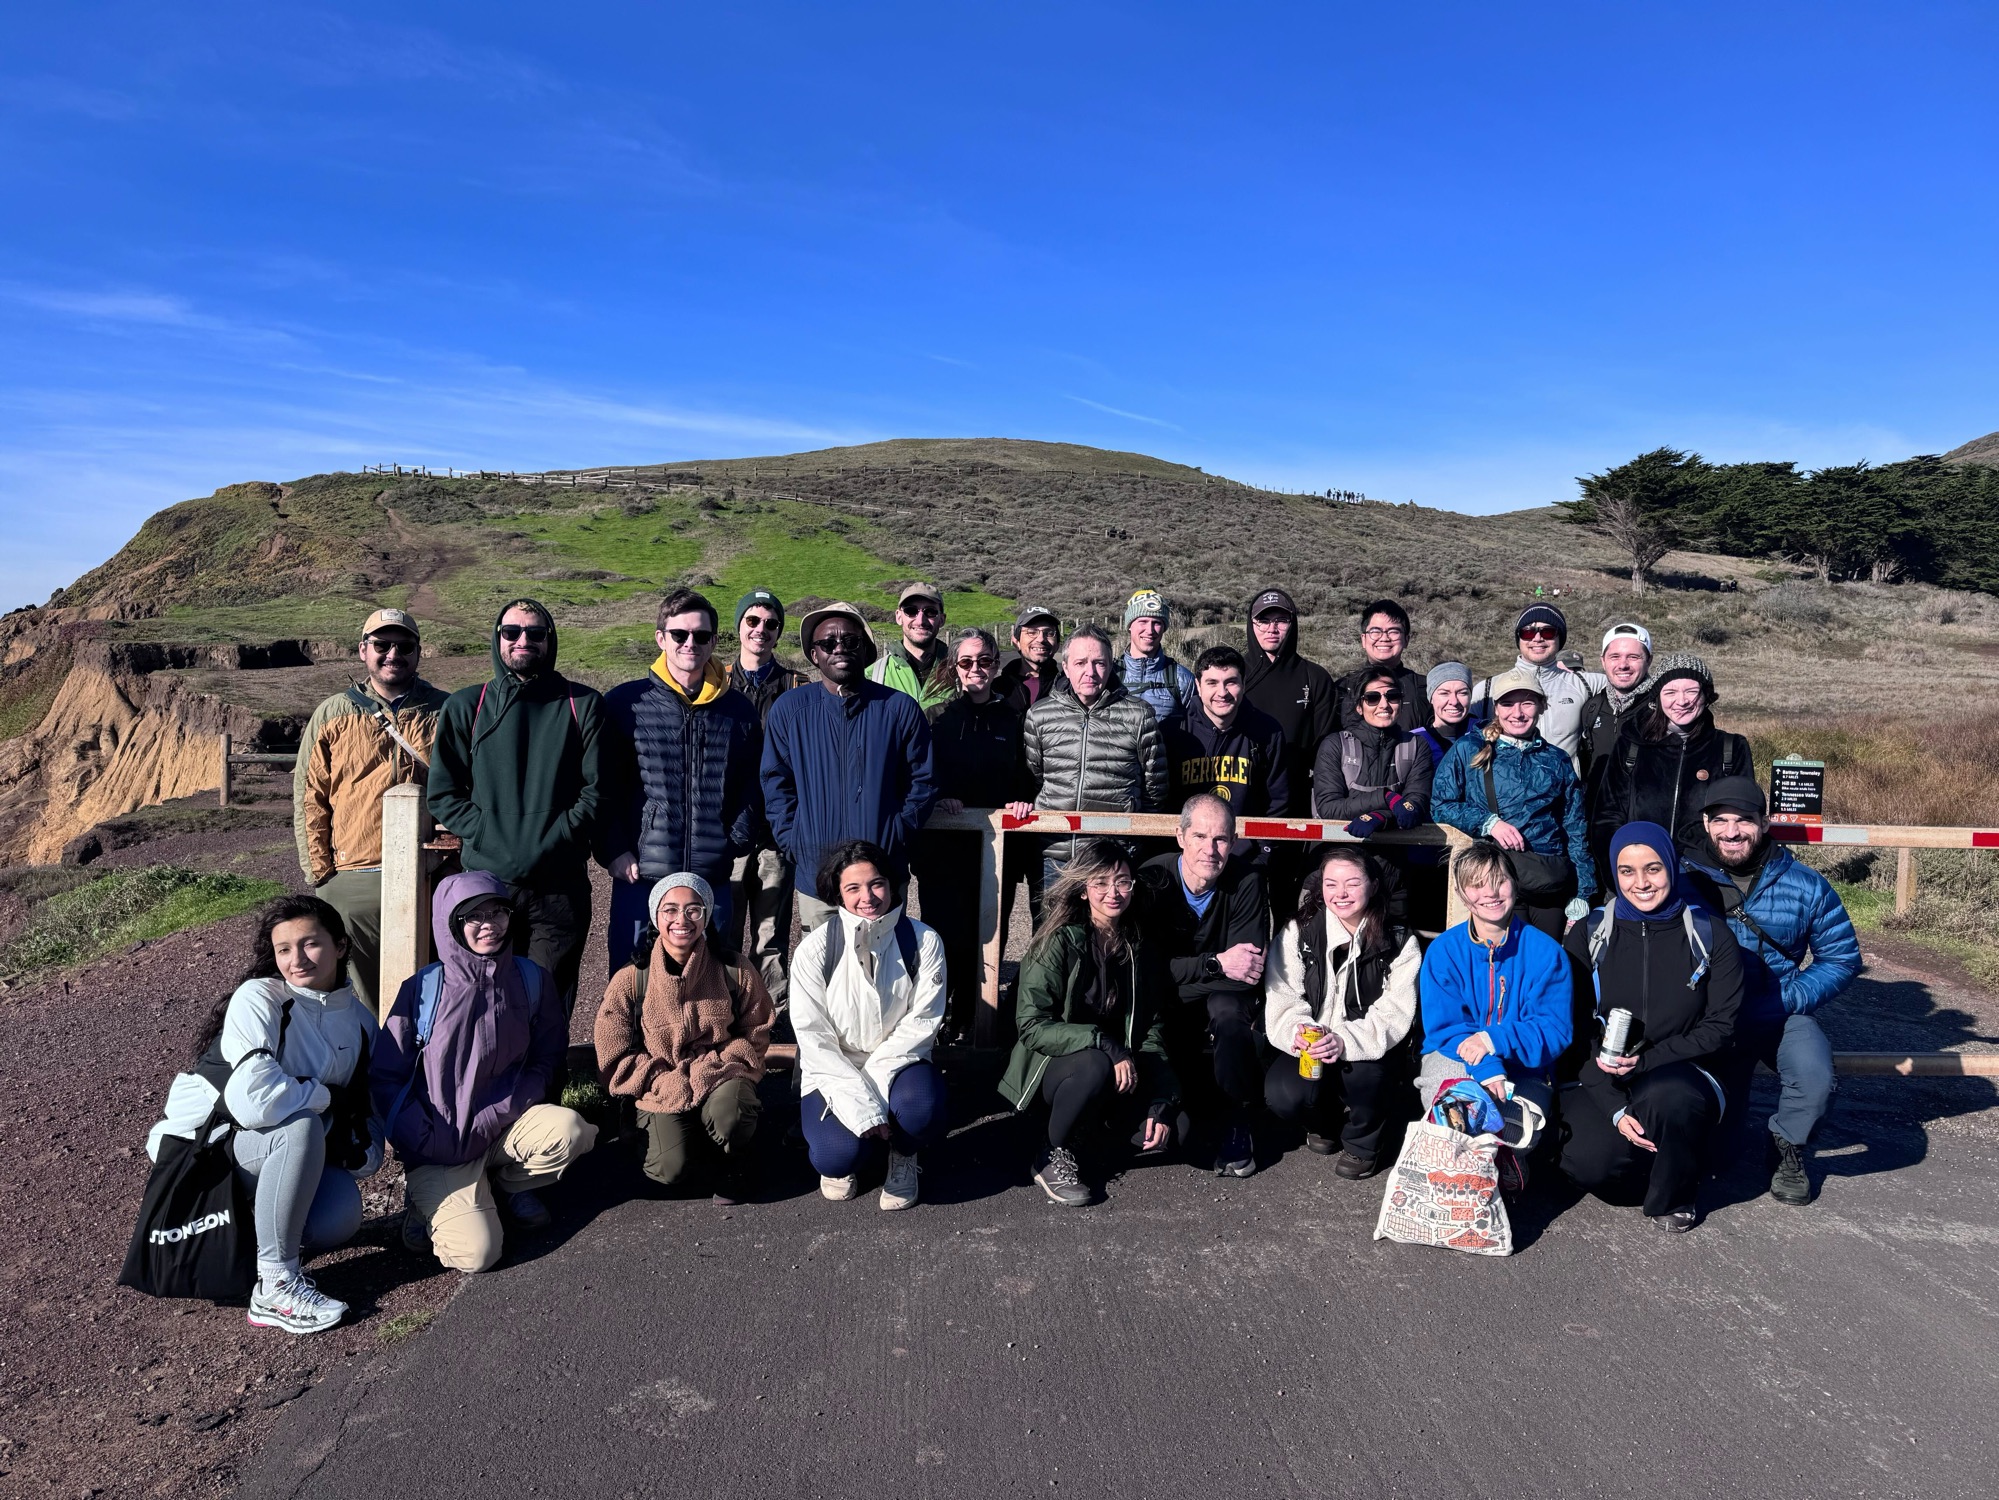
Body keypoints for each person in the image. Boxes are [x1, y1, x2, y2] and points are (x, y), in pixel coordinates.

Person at [146, 895, 378, 1334]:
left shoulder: (362, 1023)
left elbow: (367, 1112)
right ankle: (275, 1286)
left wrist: (359, 1148)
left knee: (340, 1214)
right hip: (203, 1154)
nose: (297, 959)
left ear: (341, 946)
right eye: (283, 949)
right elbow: (253, 1101)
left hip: (265, 1152)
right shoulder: (260, 997)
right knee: (300, 1127)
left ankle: (253, 1247)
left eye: (310, 944)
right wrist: (324, 1098)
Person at [372, 873, 595, 1271]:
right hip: (438, 1146)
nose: (488, 924)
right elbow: (386, 1077)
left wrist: (504, 1109)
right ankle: (426, 1203)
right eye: (472, 916)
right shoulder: (422, 990)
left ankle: (506, 1185)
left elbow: (547, 1058)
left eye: (498, 912)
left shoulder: (530, 979)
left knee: (572, 1131)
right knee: (477, 1254)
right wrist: (420, 1137)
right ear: (450, 925)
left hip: (503, 1127)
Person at [1681, 779, 1860, 1207]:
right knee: (1716, 1159)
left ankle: (1787, 1146)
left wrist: (1786, 999)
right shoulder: (1680, 880)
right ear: (1706, 823)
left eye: (1744, 820)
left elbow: (1841, 958)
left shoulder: (1806, 884)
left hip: (1776, 1009)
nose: (1732, 832)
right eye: (1721, 820)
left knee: (1814, 1075)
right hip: (1704, 1017)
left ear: (1764, 822)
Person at [426, 599, 608, 1018]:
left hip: (559, 886)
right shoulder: (466, 706)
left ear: (550, 640)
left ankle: (544, 1066)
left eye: (535, 633)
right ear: (497, 639)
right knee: (484, 999)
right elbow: (444, 793)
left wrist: (560, 834)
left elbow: (599, 790)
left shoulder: (583, 705)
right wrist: (487, 833)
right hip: (486, 887)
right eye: (512, 632)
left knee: (548, 1001)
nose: (523, 640)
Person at [1560, 823, 1742, 1232]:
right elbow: (1573, 1028)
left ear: (1671, 868)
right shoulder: (1589, 934)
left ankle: (1675, 1194)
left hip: (1680, 1071)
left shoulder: (1711, 935)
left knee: (1670, 1099)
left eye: (1653, 869)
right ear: (1614, 873)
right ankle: (1662, 1161)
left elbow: (1721, 1026)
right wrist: (1613, 1108)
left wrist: (1646, 1061)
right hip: (1603, 1071)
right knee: (1591, 1164)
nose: (1641, 883)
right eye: (1627, 871)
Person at [998, 838, 1177, 1207]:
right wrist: (1104, 1043)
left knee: (1174, 1131)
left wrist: (1161, 1097)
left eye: (1123, 881)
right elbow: (1032, 1025)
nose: (1113, 892)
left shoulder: (1137, 945)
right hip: (1056, 1071)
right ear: (1083, 890)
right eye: (1101, 882)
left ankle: (1088, 1136)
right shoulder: (1057, 941)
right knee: (1094, 1063)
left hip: (1117, 1072)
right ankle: (1050, 1153)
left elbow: (1152, 1027)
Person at [292, 608, 449, 1012]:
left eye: (404, 646)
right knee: (360, 995)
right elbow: (310, 796)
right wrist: (322, 874)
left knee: (433, 987)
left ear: (418, 653)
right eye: (382, 644)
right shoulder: (333, 714)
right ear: (363, 650)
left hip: (431, 871)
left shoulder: (446, 711)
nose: (393, 654)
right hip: (354, 876)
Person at [602, 589, 764, 974]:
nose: (690, 643)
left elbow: (752, 784)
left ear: (714, 641)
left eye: (701, 635)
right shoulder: (625, 704)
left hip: (711, 877)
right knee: (632, 983)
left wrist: (734, 842)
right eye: (679, 634)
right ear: (661, 638)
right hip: (641, 875)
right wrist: (614, 850)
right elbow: (602, 785)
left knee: (709, 984)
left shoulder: (738, 711)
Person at [594, 874, 775, 1203]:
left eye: (693, 910)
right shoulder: (631, 980)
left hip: (722, 1073)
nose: (682, 920)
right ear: (656, 916)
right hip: (659, 1082)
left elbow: (757, 1029)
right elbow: (612, 1051)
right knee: (668, 1170)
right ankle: (689, 1140)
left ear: (706, 916)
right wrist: (658, 1078)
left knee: (731, 1116)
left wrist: (721, 1063)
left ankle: (732, 1152)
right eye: (670, 910)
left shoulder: (735, 970)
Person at [761, 601, 938, 932]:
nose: (839, 647)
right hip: (817, 874)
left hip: (881, 875)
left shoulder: (899, 709)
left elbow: (923, 781)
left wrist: (897, 833)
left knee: (884, 959)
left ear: (866, 649)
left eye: (851, 641)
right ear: (814, 654)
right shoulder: (790, 710)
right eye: (828, 643)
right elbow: (775, 782)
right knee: (824, 959)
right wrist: (794, 840)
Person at [791, 841, 949, 1210]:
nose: (868, 897)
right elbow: (814, 1038)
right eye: (853, 888)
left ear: (892, 884)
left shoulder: (923, 941)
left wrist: (871, 1091)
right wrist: (858, 1102)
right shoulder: (816, 949)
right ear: (838, 893)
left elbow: (922, 1024)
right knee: (837, 1156)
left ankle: (904, 1152)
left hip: (901, 1061)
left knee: (921, 1111)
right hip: (835, 1067)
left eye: (876, 883)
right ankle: (853, 1147)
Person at [1262, 845, 1421, 1178]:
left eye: (1352, 883)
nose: (1341, 893)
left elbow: (1395, 1011)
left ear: (1373, 886)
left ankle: (1363, 1144)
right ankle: (1324, 1123)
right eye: (1331, 884)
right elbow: (1283, 993)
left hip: (1367, 1043)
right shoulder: (1300, 930)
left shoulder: (1399, 940)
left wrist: (1344, 1040)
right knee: (1283, 1093)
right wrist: (1297, 1030)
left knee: (1367, 1077)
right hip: (1313, 1040)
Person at [1415, 841, 1572, 1174]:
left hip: (1525, 1065)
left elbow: (1554, 1028)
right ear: (1461, 894)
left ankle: (1505, 1170)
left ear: (1514, 883)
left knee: (1513, 1134)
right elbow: (1445, 1027)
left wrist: (1494, 1040)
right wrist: (1486, 1063)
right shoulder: (1444, 951)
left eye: (1499, 880)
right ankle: (1458, 1181)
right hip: (1455, 1055)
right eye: (1476, 884)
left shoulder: (1547, 953)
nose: (1490, 893)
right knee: (1455, 1122)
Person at [1137, 793, 1270, 1178]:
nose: (1210, 850)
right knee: (1151, 1002)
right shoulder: (1153, 877)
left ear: (1234, 841)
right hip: (1166, 1001)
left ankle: (1238, 1120)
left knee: (1229, 1012)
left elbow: (1247, 972)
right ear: (1180, 836)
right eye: (1199, 836)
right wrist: (1216, 963)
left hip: (1218, 999)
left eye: (1221, 839)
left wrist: (1175, 975)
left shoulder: (1247, 880)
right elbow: (1144, 971)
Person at [925, 628, 1036, 1034]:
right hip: (946, 849)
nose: (976, 668)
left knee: (989, 935)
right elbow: (922, 776)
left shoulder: (1014, 719)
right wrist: (939, 798)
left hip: (997, 850)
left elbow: (1026, 777)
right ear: (954, 666)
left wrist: (1022, 801)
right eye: (967, 661)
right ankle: (936, 1023)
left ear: (995, 665)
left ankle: (975, 1022)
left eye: (985, 660)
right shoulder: (936, 718)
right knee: (944, 937)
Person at [1433, 668, 1595, 937]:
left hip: (1548, 881)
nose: (1517, 713)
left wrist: (1583, 892)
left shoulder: (1556, 759)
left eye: (1527, 703)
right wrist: (1489, 823)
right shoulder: (1469, 748)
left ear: (1542, 706)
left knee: (1546, 956)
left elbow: (1575, 827)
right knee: (1504, 954)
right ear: (1496, 708)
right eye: (1508, 704)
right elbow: (1441, 804)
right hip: (1496, 878)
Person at [1022, 623, 1168, 887]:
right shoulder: (1040, 715)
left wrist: (1130, 840)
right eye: (1080, 663)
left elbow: (1155, 789)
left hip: (1113, 858)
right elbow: (1035, 779)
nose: (1090, 672)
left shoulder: (1139, 715)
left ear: (1111, 666)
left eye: (1099, 663)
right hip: (1054, 856)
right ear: (1066, 667)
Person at [726, 588, 813, 1011]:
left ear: (779, 631)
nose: (761, 629)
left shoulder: (797, 686)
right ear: (739, 626)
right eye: (752, 620)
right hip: (726, 830)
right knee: (721, 930)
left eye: (771, 623)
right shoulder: (715, 680)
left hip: (777, 831)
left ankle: (770, 1017)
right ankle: (721, 1013)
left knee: (771, 936)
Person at [1590, 653, 1752, 879]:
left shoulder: (1732, 748)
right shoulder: (1631, 745)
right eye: (1670, 692)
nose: (1682, 701)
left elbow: (1742, 821)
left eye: (1691, 691)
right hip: (1640, 878)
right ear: (1657, 698)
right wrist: (1620, 875)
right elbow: (1607, 817)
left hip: (1706, 880)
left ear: (1706, 695)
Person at [1240, 586, 1338, 816]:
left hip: (1297, 797)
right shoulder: (1234, 674)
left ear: (1292, 624)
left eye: (1281, 620)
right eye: (1263, 620)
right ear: (1251, 624)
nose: (1272, 629)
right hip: (1240, 794)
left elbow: (1325, 746)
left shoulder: (1315, 677)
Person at [1470, 605, 1605, 766]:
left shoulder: (1586, 684)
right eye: (1528, 632)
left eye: (1548, 632)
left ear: (1560, 638)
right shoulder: (1487, 689)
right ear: (1518, 638)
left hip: (1565, 781)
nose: (1537, 638)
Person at [1163, 645, 1290, 814]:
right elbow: (1160, 800)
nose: (1222, 693)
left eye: (1231, 682)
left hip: (1245, 831)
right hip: (1187, 831)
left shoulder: (1268, 732)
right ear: (1198, 686)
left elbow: (1278, 803)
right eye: (1212, 683)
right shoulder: (1173, 732)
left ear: (1243, 683)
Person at [1312, 667, 1433, 837]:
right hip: (1340, 846)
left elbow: (1414, 807)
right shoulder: (1335, 745)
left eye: (1392, 696)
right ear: (1359, 707)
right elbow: (1329, 807)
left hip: (1398, 848)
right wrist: (1387, 798)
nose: (1384, 705)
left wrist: (1379, 817)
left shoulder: (1416, 745)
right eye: (1372, 698)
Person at [1576, 622, 1654, 790]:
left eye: (1633, 657)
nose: (1623, 664)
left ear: (1649, 661)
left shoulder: (1663, 710)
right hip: (1597, 806)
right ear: (1603, 661)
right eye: (1615, 656)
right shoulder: (1591, 708)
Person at [1334, 599, 1430, 732]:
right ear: (1363, 639)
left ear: (1406, 640)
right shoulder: (1341, 689)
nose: (1384, 638)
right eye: (1375, 631)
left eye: (1393, 631)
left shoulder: (1426, 688)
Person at [866, 582, 955, 714]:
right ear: (898, 617)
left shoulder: (960, 673)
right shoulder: (872, 676)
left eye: (930, 612)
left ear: (942, 619)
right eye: (911, 611)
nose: (920, 621)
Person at [1119, 588, 1196, 728]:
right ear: (1129, 625)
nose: (1150, 630)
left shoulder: (1183, 679)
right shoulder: (1109, 674)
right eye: (1143, 621)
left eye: (1157, 622)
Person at [995, 604, 1062, 716]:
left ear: (1057, 645)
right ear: (1016, 642)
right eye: (1031, 632)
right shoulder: (995, 689)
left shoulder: (1067, 689)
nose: (1041, 639)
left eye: (1049, 633)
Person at [1414, 662, 1474, 769]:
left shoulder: (1487, 734)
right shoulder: (1414, 740)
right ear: (1430, 698)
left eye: (1462, 693)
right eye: (1444, 693)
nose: (1454, 701)